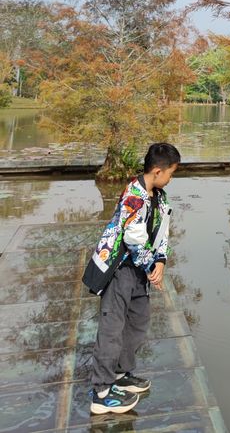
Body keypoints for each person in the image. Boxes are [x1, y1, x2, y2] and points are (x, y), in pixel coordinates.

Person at [82, 142, 181, 415]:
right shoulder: (133, 195)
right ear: (158, 171)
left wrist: (160, 260)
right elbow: (133, 239)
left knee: (138, 322)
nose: (171, 178)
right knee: (112, 328)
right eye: (171, 173)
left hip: (139, 271)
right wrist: (152, 266)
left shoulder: (160, 197)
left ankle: (119, 374)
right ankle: (101, 391)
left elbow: (163, 232)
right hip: (119, 269)